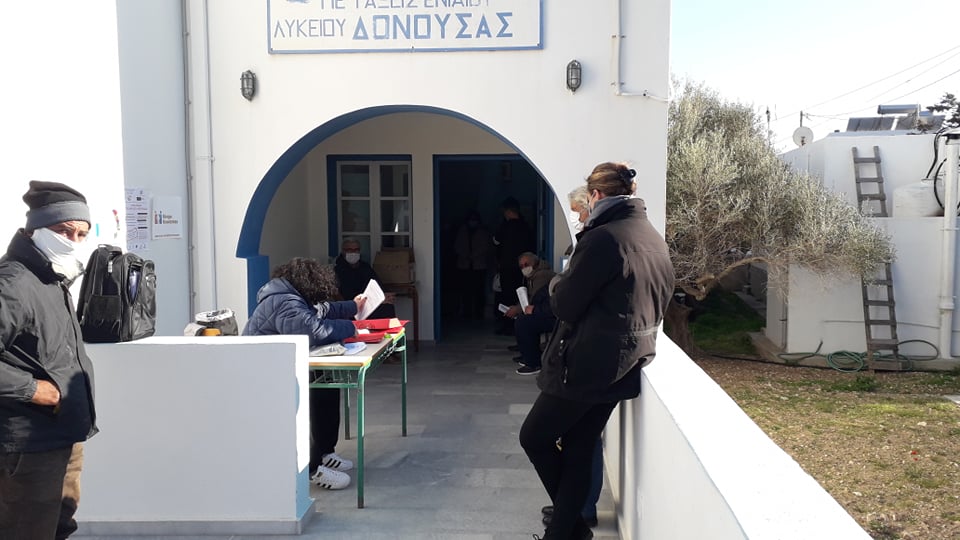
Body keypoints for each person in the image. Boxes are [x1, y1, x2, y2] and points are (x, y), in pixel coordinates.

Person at [519, 162, 675, 540]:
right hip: (625, 364)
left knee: (534, 438)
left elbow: (565, 304)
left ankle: (570, 530)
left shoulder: (603, 239)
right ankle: (570, 532)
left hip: (586, 366)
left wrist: (556, 284)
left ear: (596, 195)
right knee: (578, 447)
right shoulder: (652, 237)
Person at [0, 181, 98, 539]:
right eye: (63, 230)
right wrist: (31, 389)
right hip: (28, 444)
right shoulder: (14, 283)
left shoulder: (52, 278)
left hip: (62, 435)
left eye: (80, 234)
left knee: (58, 526)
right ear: (35, 229)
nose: (72, 240)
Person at [243, 257, 366, 490]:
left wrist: (354, 306)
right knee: (302, 412)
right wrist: (351, 327)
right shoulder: (286, 302)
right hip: (266, 373)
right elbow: (315, 331)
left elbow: (326, 309)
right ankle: (312, 469)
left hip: (281, 365)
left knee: (327, 387)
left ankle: (325, 452)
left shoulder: (294, 297)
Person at [503, 252, 556, 375]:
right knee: (523, 319)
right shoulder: (532, 276)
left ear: (535, 263)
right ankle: (527, 354)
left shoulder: (542, 276)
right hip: (545, 310)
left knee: (524, 322)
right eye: (521, 266)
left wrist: (517, 309)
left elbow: (533, 299)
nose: (524, 268)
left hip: (550, 313)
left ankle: (533, 362)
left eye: (526, 265)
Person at [492, 197, 534, 335]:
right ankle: (520, 325)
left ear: (508, 211)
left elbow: (496, 241)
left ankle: (508, 325)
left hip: (507, 267)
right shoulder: (526, 226)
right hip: (524, 268)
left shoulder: (505, 227)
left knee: (507, 296)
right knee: (522, 296)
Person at [333, 237, 396, 319]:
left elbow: (376, 284)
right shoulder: (337, 270)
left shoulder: (365, 267)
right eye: (349, 250)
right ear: (343, 251)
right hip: (350, 306)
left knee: (387, 306)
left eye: (356, 250)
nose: (353, 252)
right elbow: (339, 294)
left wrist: (383, 296)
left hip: (369, 303)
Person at [453, 211, 493, 319]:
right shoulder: (462, 231)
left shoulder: (483, 232)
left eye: (474, 219)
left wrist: (474, 255)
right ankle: (467, 313)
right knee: (465, 291)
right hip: (464, 265)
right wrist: (466, 255)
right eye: (471, 219)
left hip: (479, 266)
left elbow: (486, 247)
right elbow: (457, 246)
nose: (472, 222)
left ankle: (479, 313)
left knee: (479, 290)